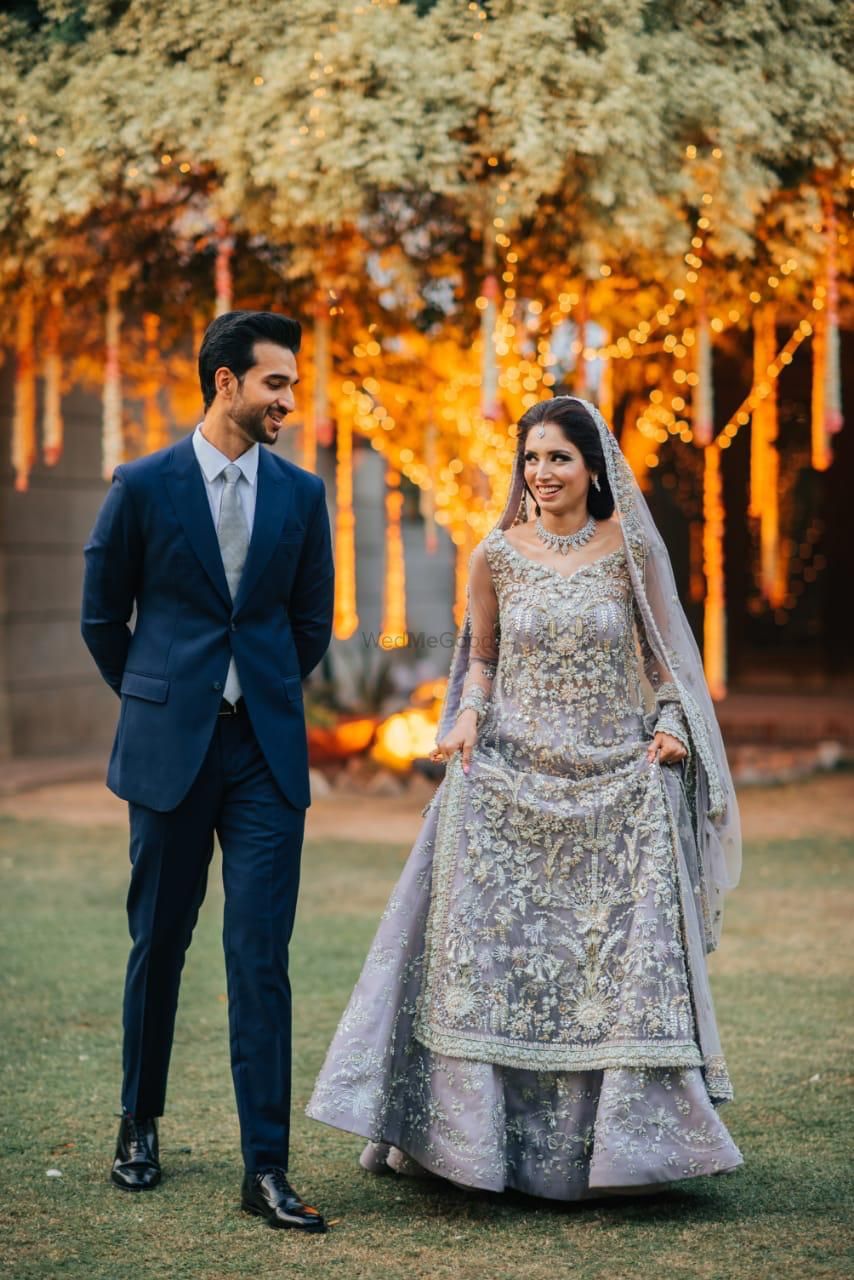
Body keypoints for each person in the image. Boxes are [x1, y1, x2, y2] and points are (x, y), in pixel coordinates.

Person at [308, 395, 742, 1199]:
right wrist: (467, 716)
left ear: (593, 469)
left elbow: (662, 664)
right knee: (500, 963)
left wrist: (673, 725)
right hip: (508, 780)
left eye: (558, 459)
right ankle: (470, 1144)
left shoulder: (630, 553)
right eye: (532, 459)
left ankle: (614, 1149)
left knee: (595, 972)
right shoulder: (495, 555)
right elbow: (480, 659)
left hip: (615, 783)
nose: (542, 475)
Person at [81, 310, 334, 1231]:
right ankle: (137, 1124)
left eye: (293, 386)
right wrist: (159, 694)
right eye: (277, 383)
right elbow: (103, 614)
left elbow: (310, 624)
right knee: (160, 944)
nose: (289, 402)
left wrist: (248, 696)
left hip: (265, 753)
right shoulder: (142, 485)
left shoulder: (303, 496)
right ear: (225, 383)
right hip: (169, 751)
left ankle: (264, 1166)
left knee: (259, 957)